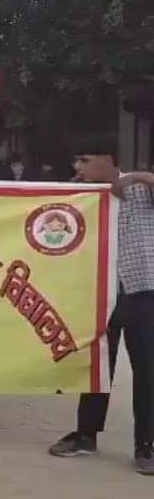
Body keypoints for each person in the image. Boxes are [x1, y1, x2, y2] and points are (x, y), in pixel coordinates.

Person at [47, 143, 154, 475]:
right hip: (98, 294)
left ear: (108, 161)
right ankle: (85, 435)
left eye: (85, 160)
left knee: (148, 371)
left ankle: (146, 445)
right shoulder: (81, 197)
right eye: (76, 159)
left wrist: (133, 177)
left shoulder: (140, 191)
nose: (77, 166)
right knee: (94, 367)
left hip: (142, 293)